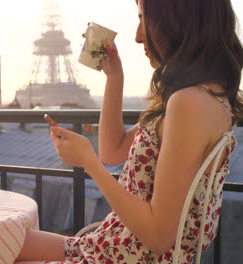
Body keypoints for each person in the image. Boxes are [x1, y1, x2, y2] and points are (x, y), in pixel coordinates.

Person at [16, 0, 242, 263]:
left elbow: (158, 237)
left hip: (122, 256)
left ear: (178, 19)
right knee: (4, 239)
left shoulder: (189, 103)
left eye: (143, 17)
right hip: (111, 245)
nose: (137, 35)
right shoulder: (202, 96)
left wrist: (88, 163)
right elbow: (112, 151)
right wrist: (115, 77)